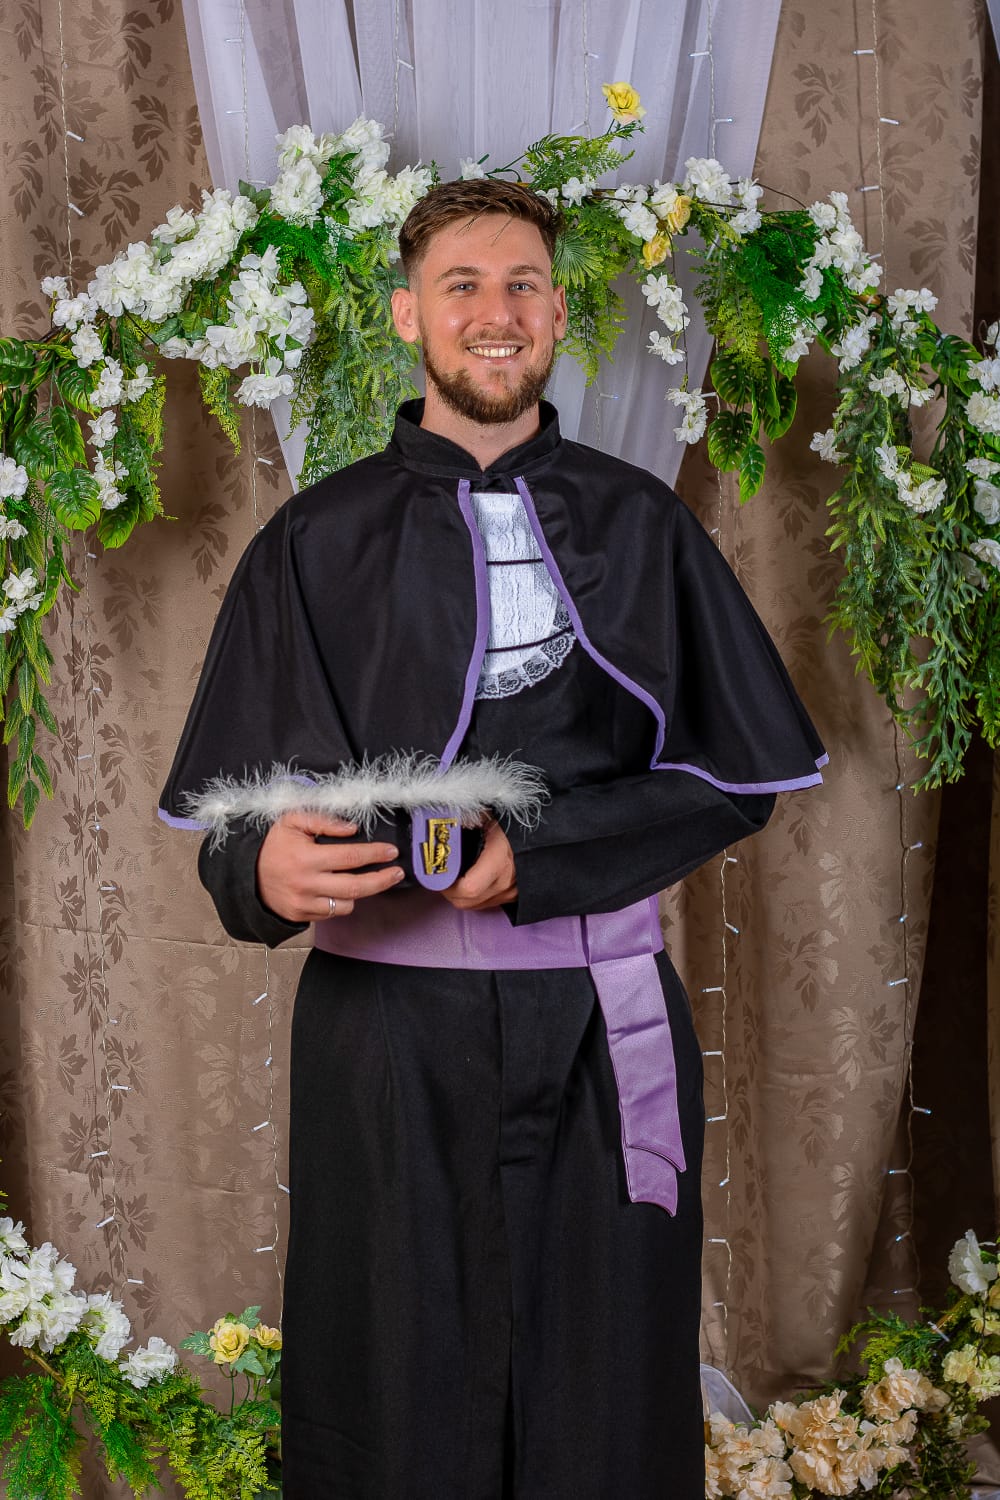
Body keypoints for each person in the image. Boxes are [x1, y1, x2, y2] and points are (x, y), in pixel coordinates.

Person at [160, 177, 825, 1498]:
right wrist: (261, 873)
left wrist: (550, 851)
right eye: (460, 285)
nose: (494, 311)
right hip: (383, 1044)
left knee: (603, 1390)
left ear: (561, 315)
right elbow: (231, 831)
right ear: (410, 316)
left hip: (598, 1028)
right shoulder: (312, 539)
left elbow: (736, 778)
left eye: (523, 283)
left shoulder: (644, 525)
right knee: (393, 1390)